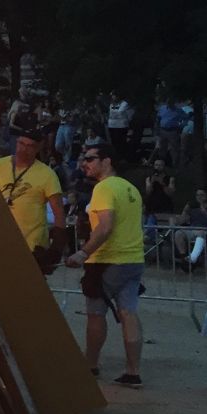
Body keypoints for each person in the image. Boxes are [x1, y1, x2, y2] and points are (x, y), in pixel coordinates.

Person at [64, 142, 145, 387]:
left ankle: (90, 365)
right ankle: (133, 370)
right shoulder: (131, 188)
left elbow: (105, 227)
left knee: (96, 313)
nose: (85, 164)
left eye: (90, 158)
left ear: (107, 161)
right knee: (128, 313)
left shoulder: (104, 188)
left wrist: (82, 253)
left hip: (106, 261)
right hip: (133, 258)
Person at [0, 129, 67, 256]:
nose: (23, 149)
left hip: (31, 245)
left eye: (29, 146)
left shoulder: (47, 174)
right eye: (21, 143)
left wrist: (57, 247)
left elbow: (58, 211)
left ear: (38, 148)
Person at [170, 188, 207, 271]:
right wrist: (176, 219)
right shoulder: (192, 205)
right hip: (193, 229)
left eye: (202, 195)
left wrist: (204, 211)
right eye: (197, 195)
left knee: (201, 232)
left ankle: (193, 257)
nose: (199, 197)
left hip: (205, 230)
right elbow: (182, 219)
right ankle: (184, 258)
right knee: (179, 233)